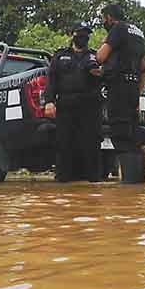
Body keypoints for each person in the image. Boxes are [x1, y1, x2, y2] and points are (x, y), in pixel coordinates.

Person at [43, 21, 101, 182]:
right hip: (66, 106)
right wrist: (49, 102)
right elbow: (51, 81)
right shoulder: (60, 56)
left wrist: (99, 73)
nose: (84, 37)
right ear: (72, 35)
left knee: (91, 145)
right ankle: (63, 186)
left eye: (86, 34)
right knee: (64, 144)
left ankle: (93, 185)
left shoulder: (95, 56)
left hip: (90, 107)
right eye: (80, 33)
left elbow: (105, 79)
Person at [93, 4, 145, 152]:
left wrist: (104, 43)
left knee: (119, 132)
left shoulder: (118, 29)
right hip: (133, 89)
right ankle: (136, 172)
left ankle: (128, 172)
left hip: (118, 88)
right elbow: (143, 68)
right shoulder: (138, 33)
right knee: (132, 131)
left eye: (103, 19)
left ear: (109, 18)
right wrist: (138, 90)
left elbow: (100, 57)